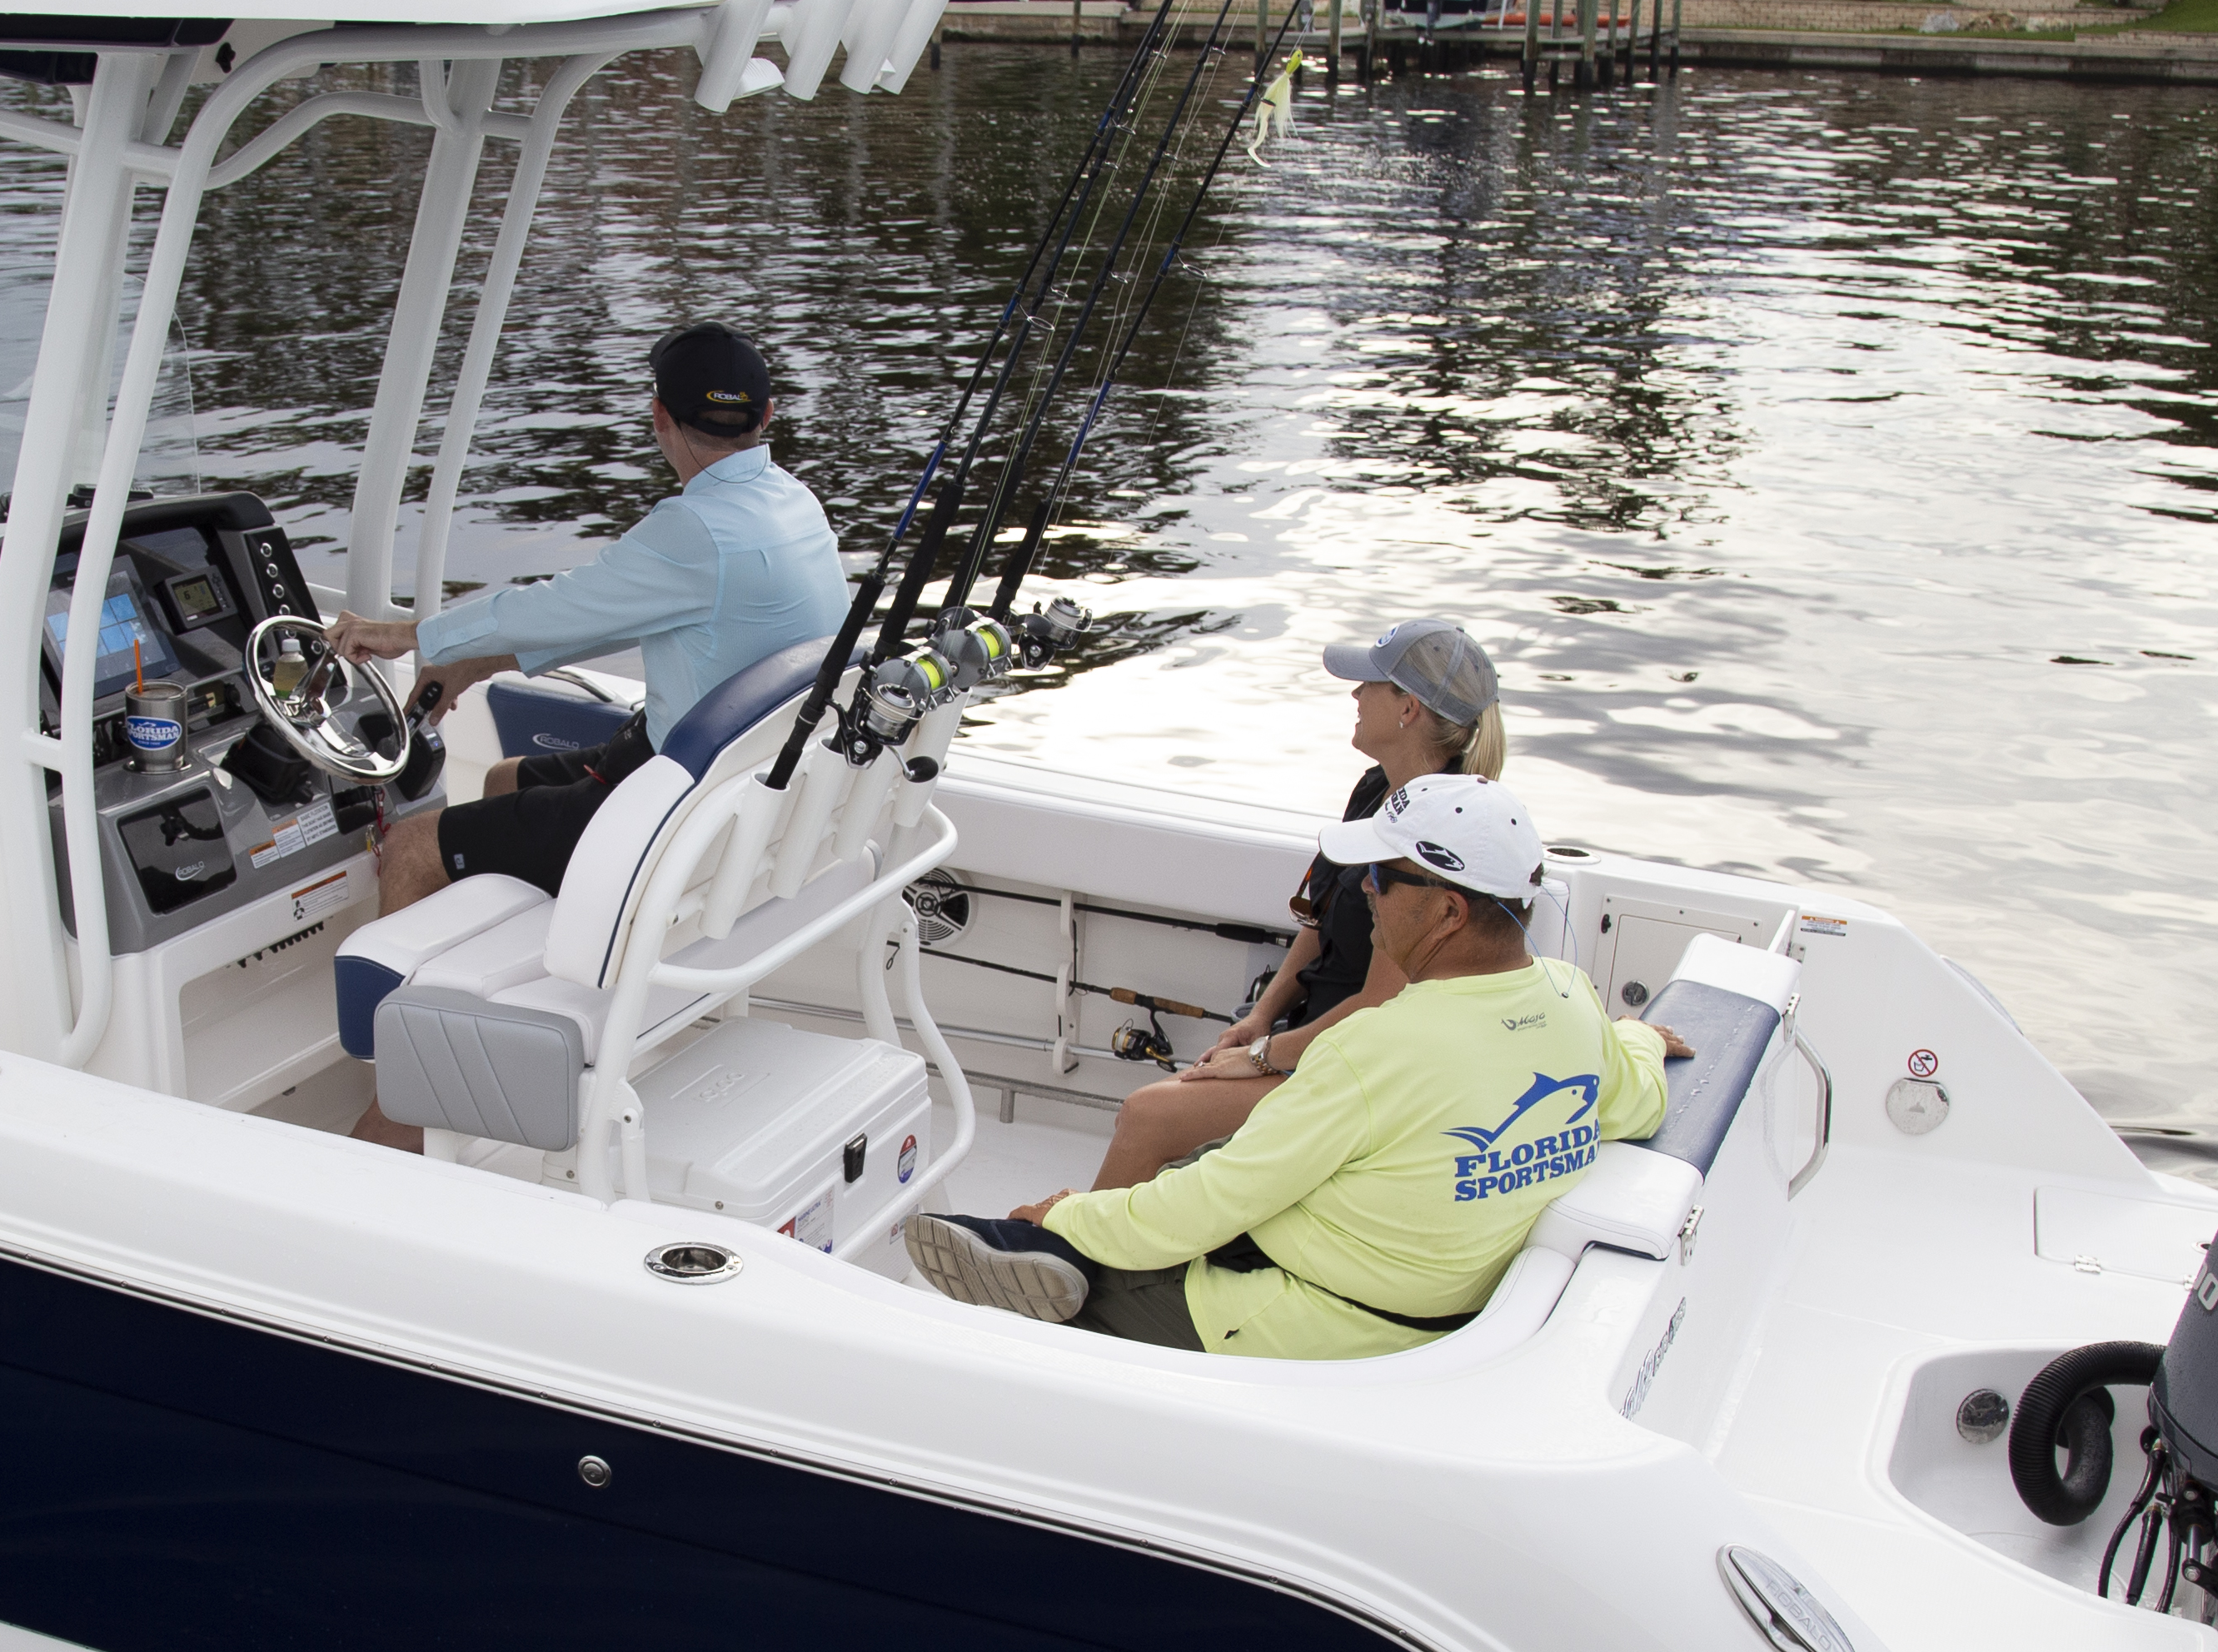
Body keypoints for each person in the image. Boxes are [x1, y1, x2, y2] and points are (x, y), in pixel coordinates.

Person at [900, 774, 1682, 1360]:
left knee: (1033, 1288)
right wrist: (1641, 1038)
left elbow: (1211, 1206)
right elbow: (1640, 1097)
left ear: (1448, 911)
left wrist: (1065, 1212)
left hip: (1314, 1316)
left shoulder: (1382, 1048)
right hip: (1421, 1299)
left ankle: (1049, 1270)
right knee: (1202, 1160)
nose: (1364, 892)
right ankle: (1053, 1250)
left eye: (1381, 876)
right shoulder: (1576, 1004)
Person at [326, 321, 846, 918]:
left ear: (658, 415)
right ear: (769, 415)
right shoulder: (795, 502)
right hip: (743, 781)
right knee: (503, 780)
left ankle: (396, 1012)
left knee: (409, 849)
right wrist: (473, 662)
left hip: (680, 810)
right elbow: (628, 614)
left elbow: (557, 605)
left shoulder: (694, 529)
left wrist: (403, 635)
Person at [1089, 618, 1510, 1192]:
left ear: (1407, 708)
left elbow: (1380, 1005)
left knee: (1147, 1115)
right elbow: (1318, 915)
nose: (1355, 696)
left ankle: (1078, 1263)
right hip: (1311, 1033)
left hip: (1365, 1065)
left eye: (1369, 684)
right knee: (1170, 1110)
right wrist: (1264, 1015)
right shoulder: (1374, 789)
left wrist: (1264, 1055)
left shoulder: (1439, 834)